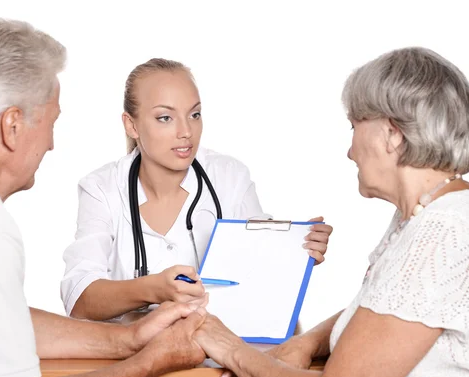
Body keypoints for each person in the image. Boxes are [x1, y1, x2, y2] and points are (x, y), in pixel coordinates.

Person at [0, 17, 209, 377]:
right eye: (51, 121)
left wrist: (129, 338)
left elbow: (0, 320)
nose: (51, 144)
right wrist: (151, 361)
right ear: (12, 126)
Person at [193, 47, 469, 377]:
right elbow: (392, 311)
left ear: (392, 134)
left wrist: (232, 349)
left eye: (355, 125)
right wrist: (309, 342)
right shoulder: (439, 211)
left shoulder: (445, 230)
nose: (350, 151)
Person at [60, 58, 334, 321]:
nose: (186, 131)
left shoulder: (229, 177)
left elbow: (258, 274)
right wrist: (154, 289)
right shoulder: (102, 188)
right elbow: (80, 298)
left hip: (214, 355)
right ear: (131, 125)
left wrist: (295, 249)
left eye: (194, 114)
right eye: (165, 118)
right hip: (132, 357)